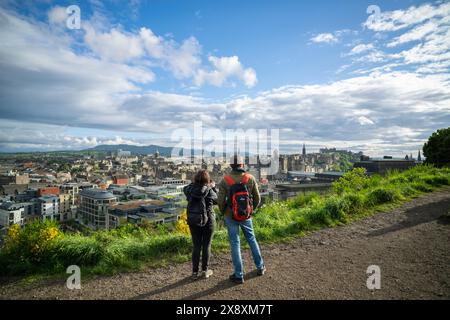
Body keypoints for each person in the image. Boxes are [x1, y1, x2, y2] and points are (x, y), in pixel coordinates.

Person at [217, 155, 265, 284]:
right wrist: (251, 210)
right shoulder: (250, 178)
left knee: (235, 243)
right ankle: (260, 267)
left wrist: (224, 212)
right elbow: (257, 198)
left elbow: (220, 201)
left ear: (231, 166)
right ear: (242, 165)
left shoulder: (225, 180)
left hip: (230, 215)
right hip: (246, 215)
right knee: (251, 239)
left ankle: (239, 275)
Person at [183, 170, 217, 280]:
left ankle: (194, 273)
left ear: (195, 179)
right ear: (207, 180)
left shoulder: (189, 190)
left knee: (196, 245)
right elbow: (216, 200)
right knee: (206, 245)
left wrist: (195, 182)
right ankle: (205, 271)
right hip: (209, 220)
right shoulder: (209, 190)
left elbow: (186, 188)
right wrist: (212, 186)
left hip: (194, 219)